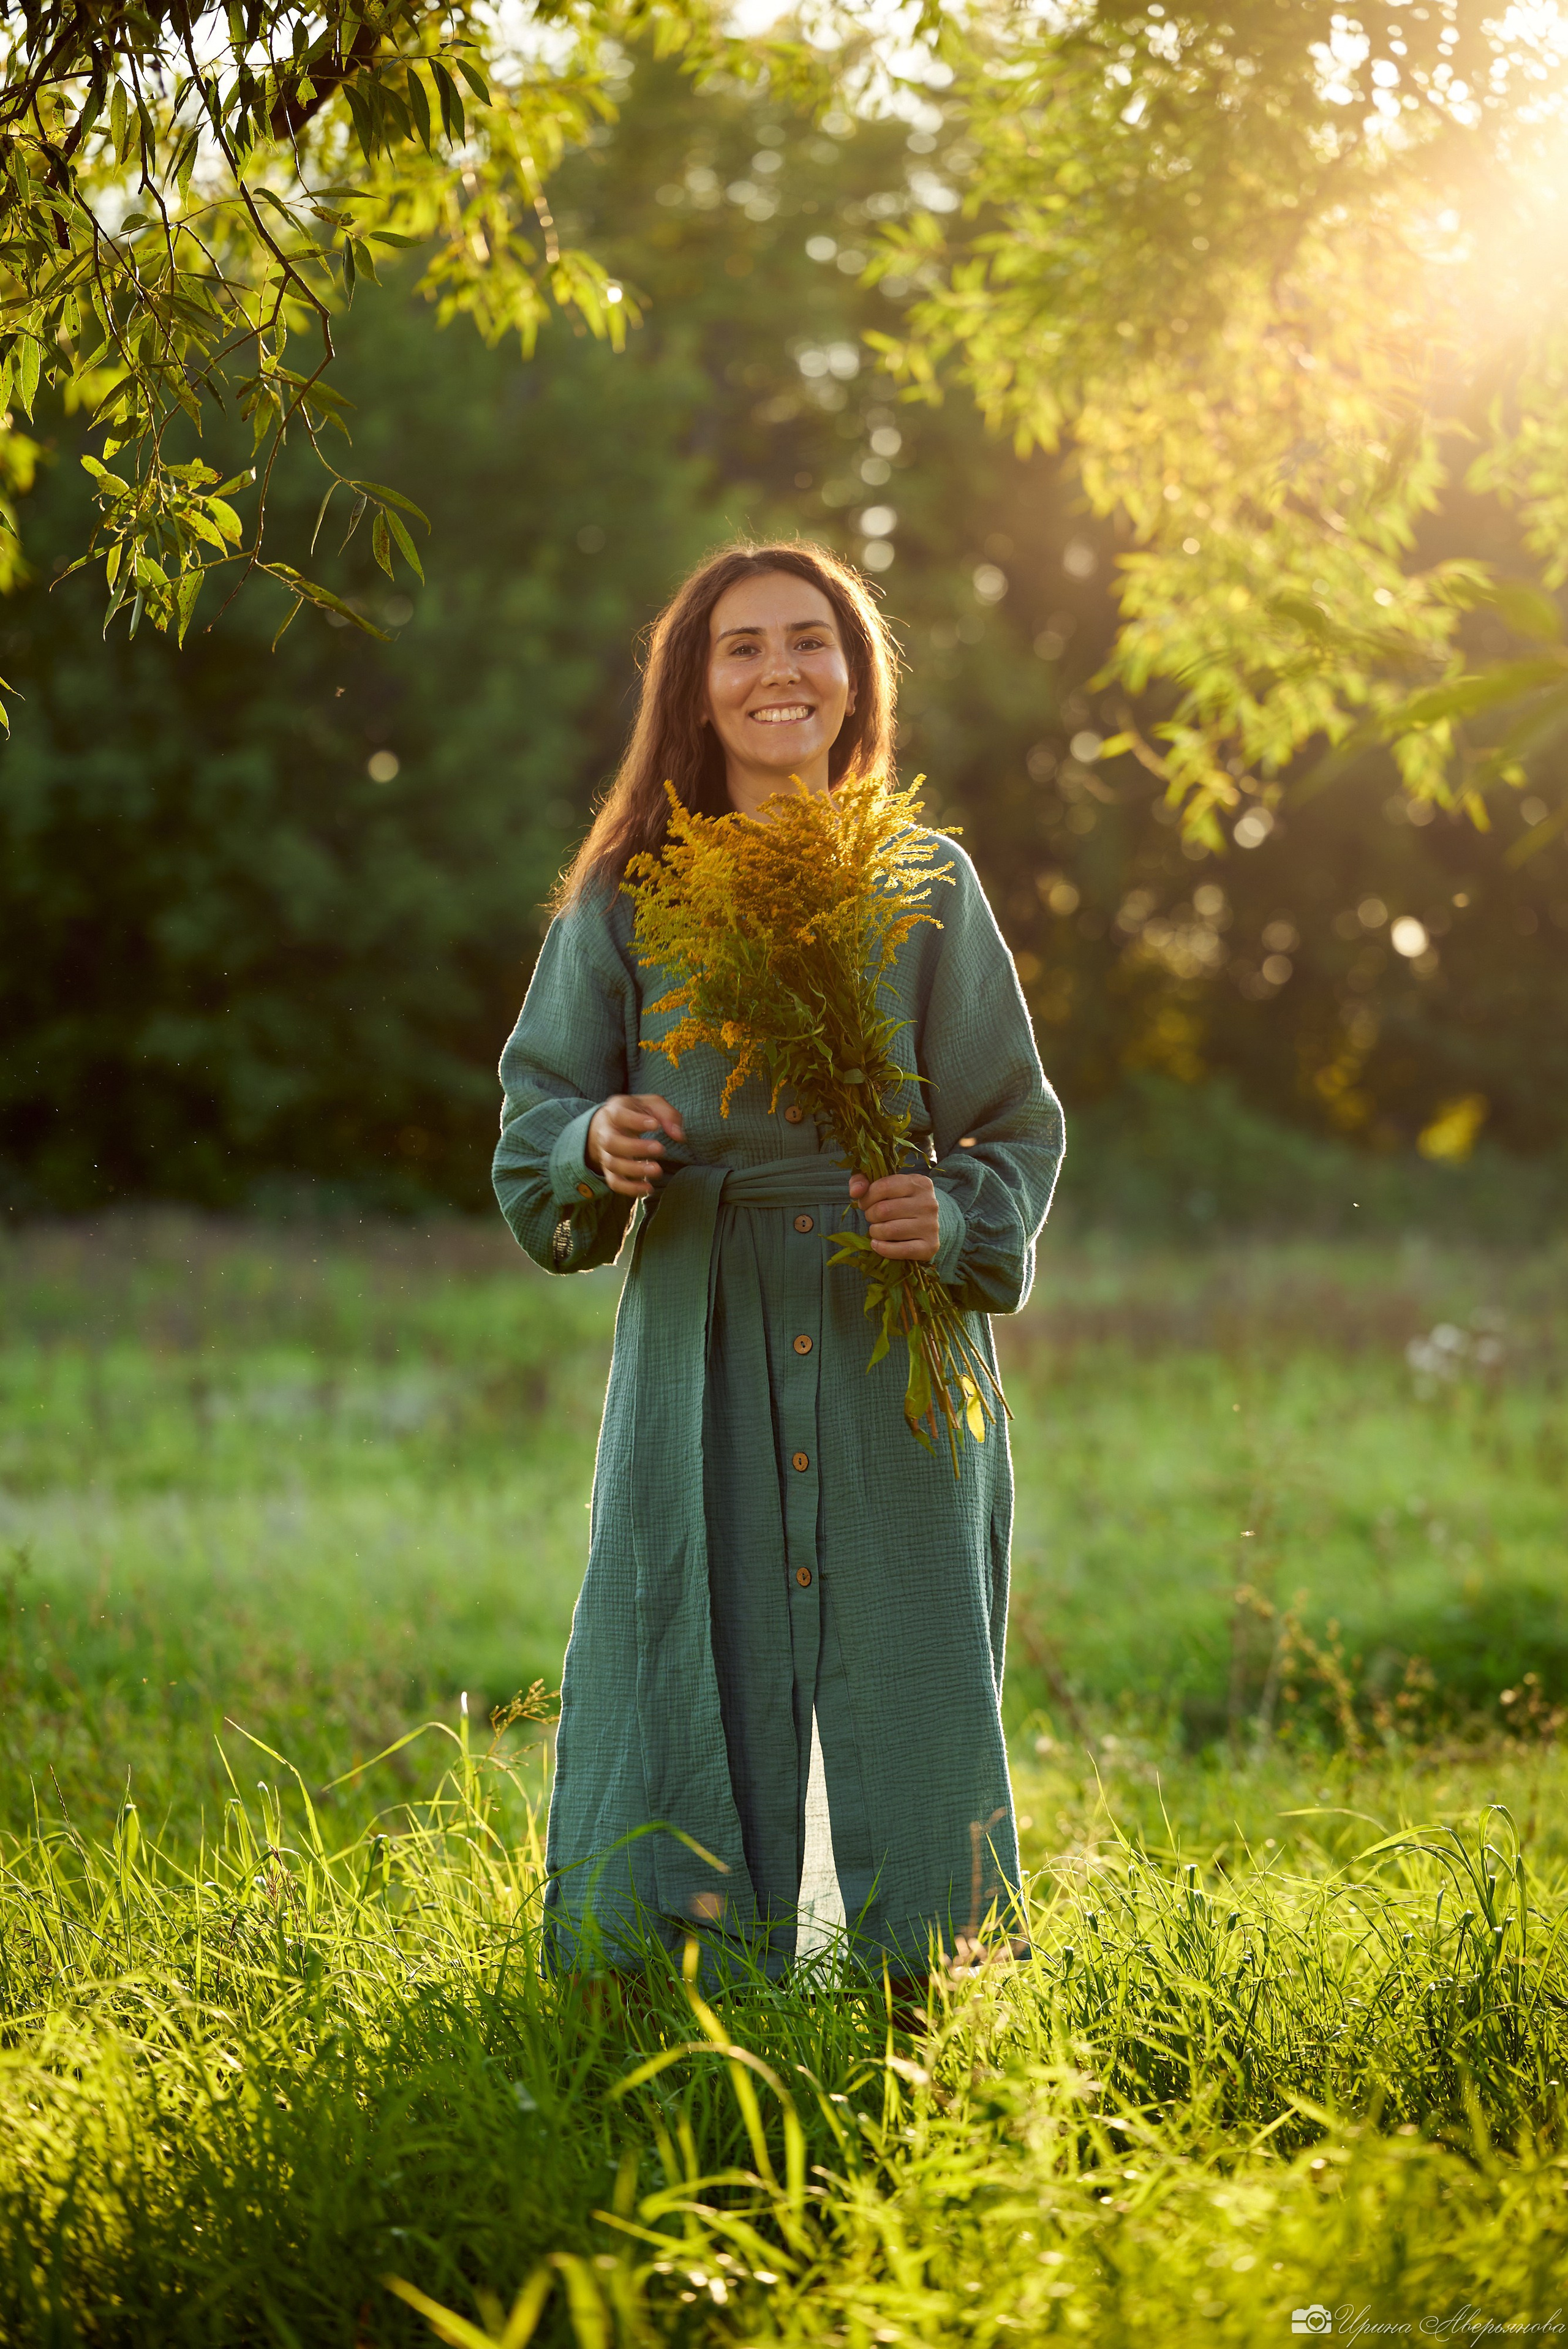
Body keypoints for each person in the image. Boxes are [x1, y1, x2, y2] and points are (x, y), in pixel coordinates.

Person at [492, 540, 1064, 1992]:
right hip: (702, 1323)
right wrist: (594, 1145)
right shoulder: (622, 897)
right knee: (690, 1625)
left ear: (854, 674)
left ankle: (931, 1986)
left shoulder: (929, 881)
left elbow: (1013, 1123)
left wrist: (954, 1216)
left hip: (890, 1332)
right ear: (693, 688)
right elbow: (537, 1125)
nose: (779, 672)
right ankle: (666, 1982)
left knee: (909, 1649)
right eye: (739, 647)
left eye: (809, 641)